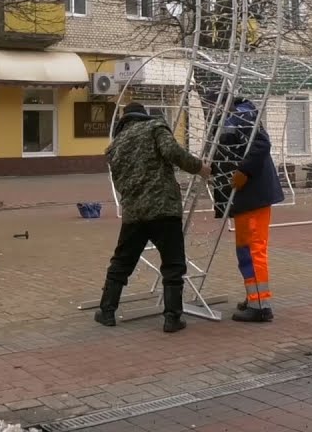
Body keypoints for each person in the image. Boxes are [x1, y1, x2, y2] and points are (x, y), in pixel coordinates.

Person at [95, 102, 211, 333]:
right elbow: (172, 152)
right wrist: (199, 168)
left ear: (124, 121)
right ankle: (172, 318)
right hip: (163, 209)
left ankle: (107, 311)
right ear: (143, 115)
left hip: (134, 213)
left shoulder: (114, 146)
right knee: (173, 263)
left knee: (122, 262)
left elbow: (118, 183)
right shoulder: (155, 127)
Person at [211, 96, 283, 323]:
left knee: (252, 250)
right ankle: (254, 297)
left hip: (251, 195)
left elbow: (261, 144)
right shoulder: (235, 114)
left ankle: (260, 305)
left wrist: (244, 171)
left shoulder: (241, 114)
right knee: (246, 251)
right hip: (245, 197)